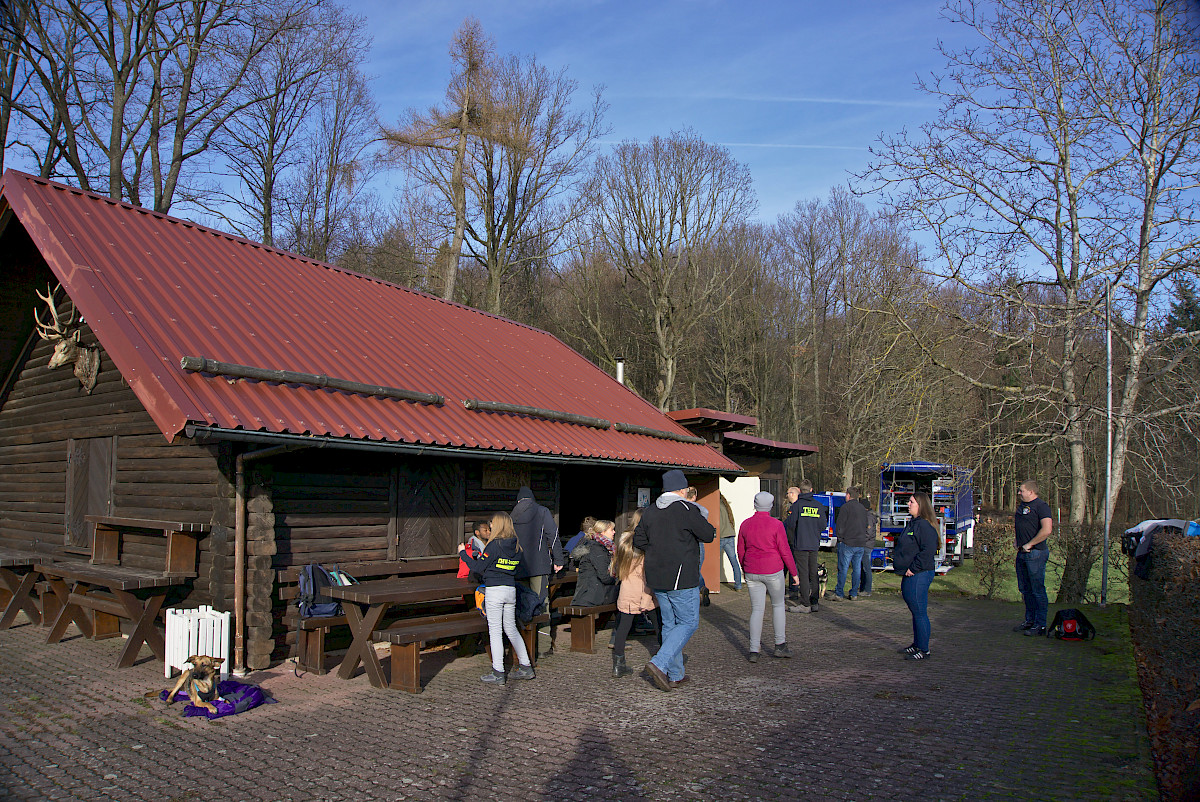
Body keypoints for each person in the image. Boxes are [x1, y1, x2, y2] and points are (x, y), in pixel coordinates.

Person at [633, 469, 716, 691]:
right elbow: (708, 534)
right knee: (688, 622)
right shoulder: (686, 509)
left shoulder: (650, 511)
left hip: (656, 575)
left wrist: (658, 548)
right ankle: (659, 663)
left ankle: (675, 673)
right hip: (681, 575)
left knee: (670, 624)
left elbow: (639, 540)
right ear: (682, 489)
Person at [457, 512, 536, 684]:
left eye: (492, 523)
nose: (490, 525)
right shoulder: (516, 546)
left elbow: (478, 568)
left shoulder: (494, 546)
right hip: (510, 590)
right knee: (511, 629)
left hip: (494, 590)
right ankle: (526, 666)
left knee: (494, 630)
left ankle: (498, 672)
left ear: (498, 524)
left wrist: (463, 554)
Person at [737, 491, 800, 662]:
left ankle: (753, 650)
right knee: (778, 605)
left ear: (755, 504)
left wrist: (745, 568)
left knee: (757, 609)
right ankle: (780, 645)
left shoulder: (745, 524)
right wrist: (794, 573)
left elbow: (740, 550)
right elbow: (785, 551)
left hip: (752, 570)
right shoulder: (776, 525)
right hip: (773, 570)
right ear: (770, 506)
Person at [610, 509, 661, 678]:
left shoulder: (623, 540)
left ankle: (618, 664)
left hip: (626, 589)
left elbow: (615, 569)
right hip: (645, 590)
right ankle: (666, 659)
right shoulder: (644, 542)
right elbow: (647, 572)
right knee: (659, 625)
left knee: (622, 629)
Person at [894, 492, 939, 660]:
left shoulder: (924, 527)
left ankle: (924, 649)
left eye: (912, 502)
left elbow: (927, 551)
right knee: (915, 611)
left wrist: (913, 568)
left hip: (919, 574)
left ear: (921, 505)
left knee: (920, 612)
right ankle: (917, 644)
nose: (908, 504)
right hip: (910, 574)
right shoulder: (913, 524)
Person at [1013, 479, 1053, 636]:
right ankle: (1029, 620)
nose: (1019, 493)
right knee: (1025, 589)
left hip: (1035, 553)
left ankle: (1040, 624)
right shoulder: (1022, 507)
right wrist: (1018, 541)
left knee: (1037, 590)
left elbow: (1047, 529)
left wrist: (1030, 544)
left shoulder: (1041, 506)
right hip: (1022, 553)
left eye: (1021, 490)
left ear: (1031, 491)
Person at [783, 481, 828, 612]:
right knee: (813, 572)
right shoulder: (819, 506)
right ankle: (814, 602)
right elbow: (823, 525)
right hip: (814, 544)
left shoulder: (797, 506)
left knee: (803, 573)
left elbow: (790, 525)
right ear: (811, 489)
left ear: (801, 491)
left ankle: (805, 604)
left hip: (801, 544)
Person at [830, 486, 870, 601]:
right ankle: (853, 593)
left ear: (848, 495)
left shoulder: (845, 507)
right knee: (856, 569)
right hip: (860, 542)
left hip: (847, 542)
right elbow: (865, 525)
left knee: (843, 568)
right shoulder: (862, 509)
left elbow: (840, 524)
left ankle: (839, 593)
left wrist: (840, 538)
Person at [570, 519, 618, 606]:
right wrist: (617, 579)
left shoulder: (602, 547)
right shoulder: (596, 549)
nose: (614, 532)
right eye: (611, 530)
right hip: (591, 596)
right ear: (603, 532)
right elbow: (605, 576)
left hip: (594, 593)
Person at [684, 486, 712, 606]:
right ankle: (701, 587)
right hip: (699, 542)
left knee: (689, 570)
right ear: (695, 496)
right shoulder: (702, 510)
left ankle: (695, 595)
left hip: (686, 542)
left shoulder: (681, 508)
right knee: (697, 568)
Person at [719, 494, 742, 591]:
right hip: (730, 535)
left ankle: (708, 584)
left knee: (712, 561)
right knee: (734, 561)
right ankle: (738, 585)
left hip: (721, 536)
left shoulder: (716, 507)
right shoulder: (725, 505)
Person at [858, 494, 879, 597]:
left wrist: (861, 540)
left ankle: (867, 589)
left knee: (866, 567)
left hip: (866, 545)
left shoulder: (869, 517)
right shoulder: (868, 516)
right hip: (866, 544)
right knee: (863, 568)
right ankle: (863, 588)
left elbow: (868, 532)